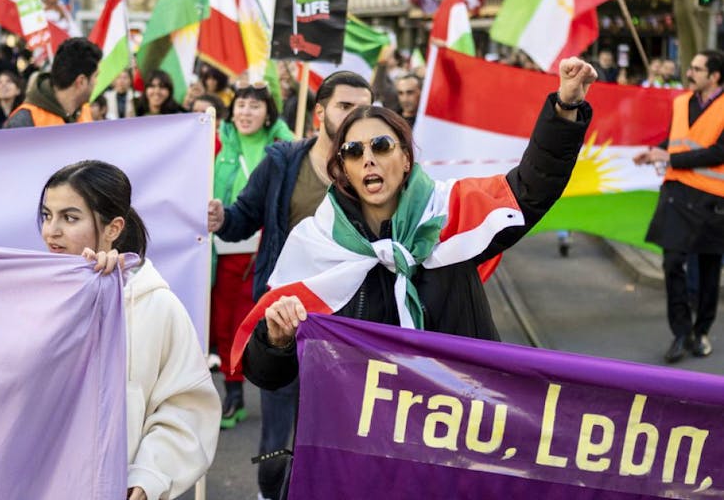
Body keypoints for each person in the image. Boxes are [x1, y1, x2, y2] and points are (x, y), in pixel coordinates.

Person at [234, 59, 596, 499]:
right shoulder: (318, 245)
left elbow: (530, 189)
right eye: (353, 151)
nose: (368, 158)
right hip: (363, 455)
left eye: (382, 145)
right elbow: (266, 373)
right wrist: (276, 338)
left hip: (462, 439)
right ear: (343, 169)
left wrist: (565, 109)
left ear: (405, 159)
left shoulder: (452, 216)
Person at [206, 71, 374, 500]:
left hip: (349, 328)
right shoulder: (283, 162)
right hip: (284, 322)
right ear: (319, 113)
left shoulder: (374, 169)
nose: (357, 116)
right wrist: (221, 217)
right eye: (345, 106)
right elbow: (244, 216)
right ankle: (270, 493)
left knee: (340, 435)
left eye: (364, 107)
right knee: (277, 447)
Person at [38, 160, 219, 500]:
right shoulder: (29, 297)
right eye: (47, 215)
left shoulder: (156, 306)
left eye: (70, 217)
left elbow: (187, 406)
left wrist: (150, 475)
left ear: (113, 228)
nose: (52, 231)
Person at [212, 83, 295, 430]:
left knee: (251, 325)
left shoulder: (283, 150)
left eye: (255, 106)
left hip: (262, 254)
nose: (245, 112)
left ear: (268, 115)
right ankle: (232, 393)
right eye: (240, 105)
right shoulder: (217, 142)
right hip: (221, 248)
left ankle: (260, 388)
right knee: (222, 324)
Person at [633, 49, 724, 363]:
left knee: (710, 271)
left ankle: (701, 332)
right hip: (676, 195)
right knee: (672, 263)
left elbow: (718, 153)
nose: (690, 73)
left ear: (714, 76)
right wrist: (654, 152)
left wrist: (669, 158)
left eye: (697, 69)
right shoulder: (681, 103)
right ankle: (681, 332)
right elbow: (676, 140)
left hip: (713, 201)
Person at [5, 37, 100, 128]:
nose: (97, 82)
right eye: (96, 76)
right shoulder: (24, 122)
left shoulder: (84, 111)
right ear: (81, 81)